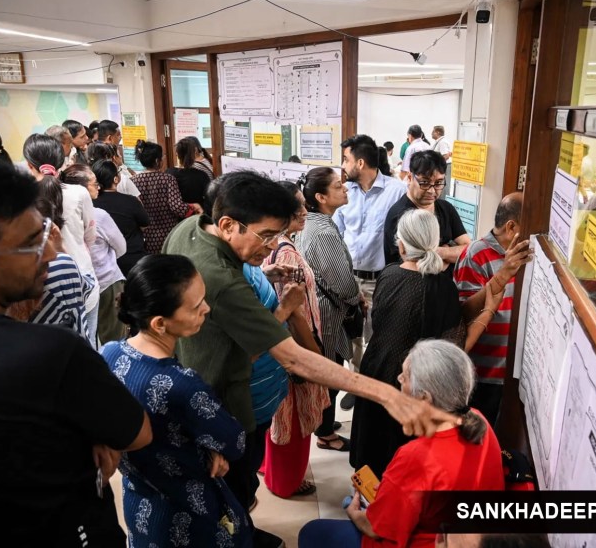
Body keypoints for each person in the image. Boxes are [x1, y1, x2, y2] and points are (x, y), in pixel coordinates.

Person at [163, 170, 459, 547]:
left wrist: (263, 269)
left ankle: (243, 529)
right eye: (266, 236)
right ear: (227, 223)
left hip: (231, 390)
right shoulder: (221, 280)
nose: (270, 246)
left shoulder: (192, 227)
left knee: (238, 485)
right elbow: (295, 359)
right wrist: (388, 395)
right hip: (224, 402)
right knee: (228, 488)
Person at [0, 159, 152, 546]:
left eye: (46, 230)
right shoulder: (50, 354)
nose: (51, 252)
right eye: (31, 244)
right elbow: (137, 434)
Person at [100, 254, 251, 547]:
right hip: (187, 511)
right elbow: (235, 442)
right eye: (196, 307)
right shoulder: (182, 385)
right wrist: (212, 449)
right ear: (160, 323)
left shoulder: (109, 353)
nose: (206, 309)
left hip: (140, 501)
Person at [299, 340, 504, 548]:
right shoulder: (479, 421)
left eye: (404, 377)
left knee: (314, 530)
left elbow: (375, 528)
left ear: (424, 398)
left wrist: (354, 513)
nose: (398, 379)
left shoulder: (415, 457)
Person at [351, 209, 498, 477]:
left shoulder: (389, 274)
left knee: (371, 445)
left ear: (402, 244)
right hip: (411, 383)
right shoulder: (442, 285)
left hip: (376, 368)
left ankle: (365, 497)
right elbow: (454, 345)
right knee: (397, 455)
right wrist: (488, 310)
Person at [260, 181, 330, 499]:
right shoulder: (285, 254)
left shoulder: (274, 246)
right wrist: (312, 354)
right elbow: (293, 311)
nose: (304, 211)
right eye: (297, 206)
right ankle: (286, 481)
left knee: (279, 417)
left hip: (278, 347)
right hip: (295, 347)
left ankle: (271, 470)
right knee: (295, 421)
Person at [334, 134, 406, 409]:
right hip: (351, 277)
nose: (343, 166)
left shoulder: (396, 191)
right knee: (353, 336)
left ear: (360, 162)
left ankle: (377, 389)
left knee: (379, 334)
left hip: (382, 278)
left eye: (346, 160)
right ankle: (358, 384)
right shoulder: (344, 192)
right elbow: (338, 234)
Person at [453, 193, 533, 425]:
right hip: (484, 374)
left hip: (515, 372)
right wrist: (503, 274)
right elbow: (464, 312)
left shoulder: (527, 255)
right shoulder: (476, 254)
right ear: (511, 226)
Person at [298, 167, 360, 452]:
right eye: (338, 186)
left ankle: (325, 422)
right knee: (330, 373)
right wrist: (358, 298)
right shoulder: (322, 231)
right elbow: (343, 284)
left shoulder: (313, 222)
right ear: (321, 196)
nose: (345, 189)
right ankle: (325, 434)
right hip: (327, 314)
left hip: (319, 310)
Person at [24, 133, 100, 347]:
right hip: (82, 279)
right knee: (87, 345)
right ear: (62, 160)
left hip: (39, 288)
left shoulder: (19, 198)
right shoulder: (79, 193)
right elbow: (90, 236)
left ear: (29, 165)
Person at [62, 164, 128, 345]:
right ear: (81, 190)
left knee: (88, 338)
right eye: (94, 183)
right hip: (106, 281)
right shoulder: (99, 216)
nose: (98, 187)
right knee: (113, 338)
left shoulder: (59, 212)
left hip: (77, 284)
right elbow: (121, 247)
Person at [384, 150, 470, 272]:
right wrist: (450, 255)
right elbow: (411, 266)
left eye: (438, 183)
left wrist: (442, 252)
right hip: (414, 288)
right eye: (424, 182)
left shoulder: (446, 208)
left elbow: (468, 250)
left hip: (447, 287)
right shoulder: (400, 216)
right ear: (409, 178)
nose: (432, 190)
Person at [133, 140, 200, 254]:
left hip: (146, 236)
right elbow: (176, 207)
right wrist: (193, 208)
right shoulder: (167, 179)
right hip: (169, 233)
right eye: (162, 156)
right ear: (157, 160)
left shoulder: (133, 181)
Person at [91, 159, 150, 275]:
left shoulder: (91, 204)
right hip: (133, 258)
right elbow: (145, 224)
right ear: (116, 179)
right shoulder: (131, 201)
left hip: (104, 263)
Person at [170, 136, 213, 210]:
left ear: (177, 154)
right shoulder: (202, 171)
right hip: (198, 213)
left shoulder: (170, 173)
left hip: (180, 212)